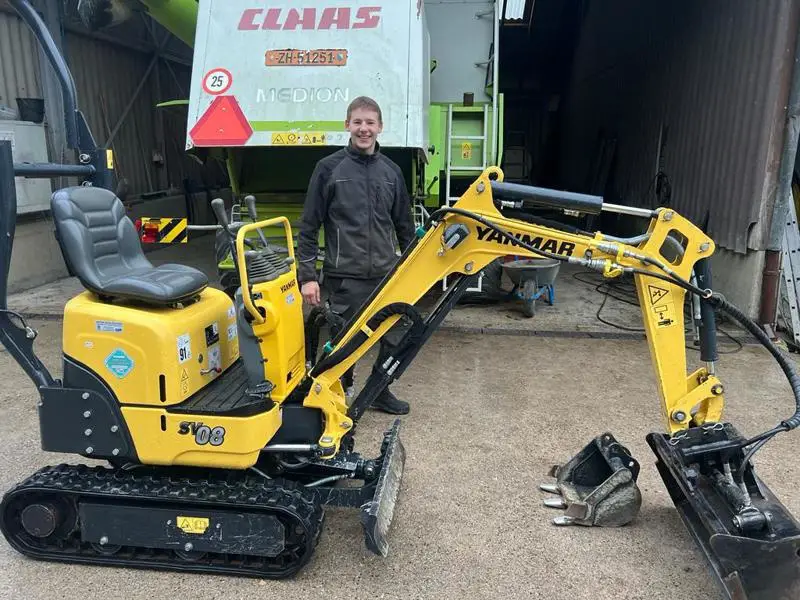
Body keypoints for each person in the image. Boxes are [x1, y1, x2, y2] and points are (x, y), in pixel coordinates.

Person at [296, 96, 416, 415]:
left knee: (399, 335)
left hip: (386, 276)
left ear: (380, 127)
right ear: (347, 125)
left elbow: (405, 226)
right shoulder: (328, 169)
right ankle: (335, 396)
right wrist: (307, 277)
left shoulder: (391, 172)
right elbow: (309, 225)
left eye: (370, 123)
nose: (364, 129)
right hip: (344, 277)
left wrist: (415, 271)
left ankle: (379, 388)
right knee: (343, 344)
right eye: (358, 122)